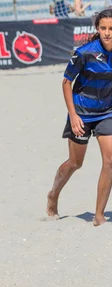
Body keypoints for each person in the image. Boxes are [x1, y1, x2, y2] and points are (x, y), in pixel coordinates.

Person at [46, 9, 112, 226]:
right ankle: (53, 195)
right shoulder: (84, 52)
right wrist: (73, 115)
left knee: (110, 160)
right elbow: (66, 82)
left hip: (106, 113)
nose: (107, 33)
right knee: (76, 163)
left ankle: (99, 215)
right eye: (103, 28)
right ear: (97, 29)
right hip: (81, 114)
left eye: (111, 29)